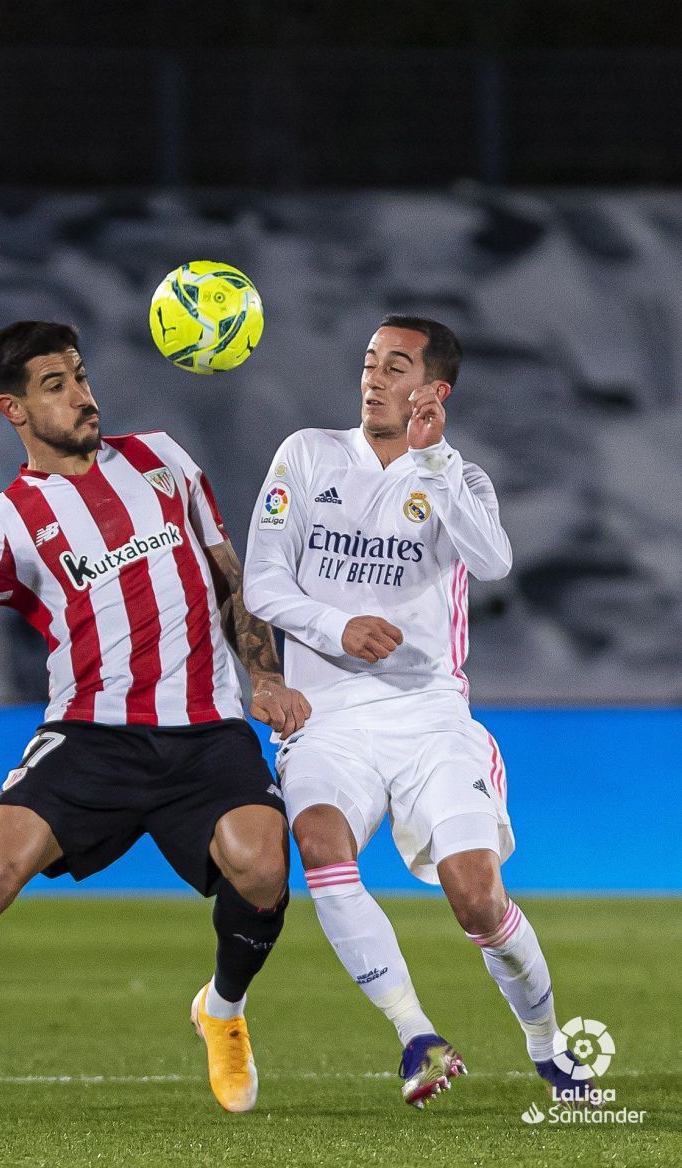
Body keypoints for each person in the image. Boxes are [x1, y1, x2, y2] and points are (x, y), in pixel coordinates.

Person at [0, 320, 310, 1121]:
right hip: (92, 732)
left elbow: (228, 579)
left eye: (81, 376)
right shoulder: (5, 519)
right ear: (12, 409)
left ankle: (223, 1011)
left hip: (206, 727)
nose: (83, 396)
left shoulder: (164, 459)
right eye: (56, 385)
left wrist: (263, 675)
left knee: (264, 868)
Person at [243, 315, 576, 1108]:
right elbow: (262, 582)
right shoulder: (307, 453)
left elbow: (493, 562)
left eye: (396, 367)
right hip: (327, 717)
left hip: (428, 717)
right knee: (319, 843)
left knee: (477, 896)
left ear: (434, 390)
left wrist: (434, 459)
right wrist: (336, 629)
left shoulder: (460, 479)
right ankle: (416, 1035)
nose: (373, 379)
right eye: (369, 363)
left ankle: (548, 1046)